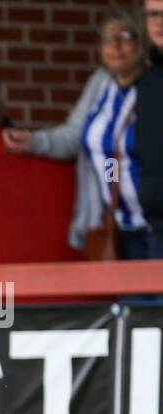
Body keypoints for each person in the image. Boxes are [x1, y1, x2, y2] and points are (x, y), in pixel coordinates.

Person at [6, 6, 151, 256]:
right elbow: (74, 135)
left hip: (154, 225)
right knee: (128, 296)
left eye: (125, 37)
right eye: (108, 38)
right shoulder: (100, 83)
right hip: (114, 226)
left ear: (141, 43)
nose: (115, 45)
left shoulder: (153, 85)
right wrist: (33, 141)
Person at [130, 0, 163, 256]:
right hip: (146, 220)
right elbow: (109, 152)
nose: (159, 21)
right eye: (153, 14)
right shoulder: (145, 79)